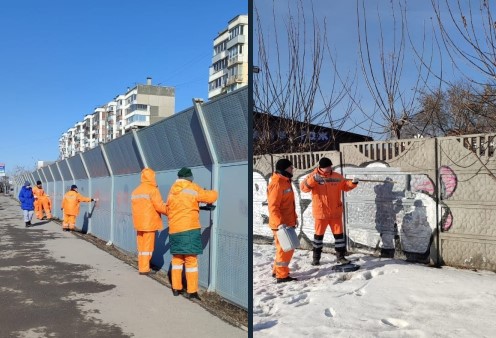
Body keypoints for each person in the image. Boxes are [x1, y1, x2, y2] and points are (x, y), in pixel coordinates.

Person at [166, 167, 218, 299]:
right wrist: (214, 191)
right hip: (189, 228)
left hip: (174, 229)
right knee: (191, 260)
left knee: (177, 259)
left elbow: (170, 208)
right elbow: (209, 197)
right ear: (189, 178)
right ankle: (192, 291)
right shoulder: (192, 187)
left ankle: (176, 288)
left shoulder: (172, 190)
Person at [300, 157, 359, 265]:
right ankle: (316, 258)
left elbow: (345, 186)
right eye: (328, 167)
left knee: (339, 237)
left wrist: (353, 183)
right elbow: (304, 188)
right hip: (320, 213)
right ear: (321, 167)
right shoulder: (312, 176)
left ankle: (340, 257)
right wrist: (313, 180)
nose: (330, 168)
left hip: (335, 212)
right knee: (318, 238)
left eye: (330, 166)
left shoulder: (336, 176)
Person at [131, 168, 169, 275]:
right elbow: (160, 206)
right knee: (148, 247)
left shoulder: (136, 191)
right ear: (152, 177)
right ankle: (144, 269)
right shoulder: (152, 190)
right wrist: (171, 212)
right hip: (149, 223)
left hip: (139, 223)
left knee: (141, 247)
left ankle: (142, 267)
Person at [267, 158, 298, 283]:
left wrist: (294, 218)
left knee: (283, 248)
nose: (292, 169)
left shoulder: (285, 181)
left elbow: (289, 204)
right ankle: (282, 275)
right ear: (284, 169)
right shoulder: (277, 183)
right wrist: (280, 224)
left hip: (287, 222)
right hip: (281, 224)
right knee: (285, 249)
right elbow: (273, 206)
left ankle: (277, 271)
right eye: (291, 167)